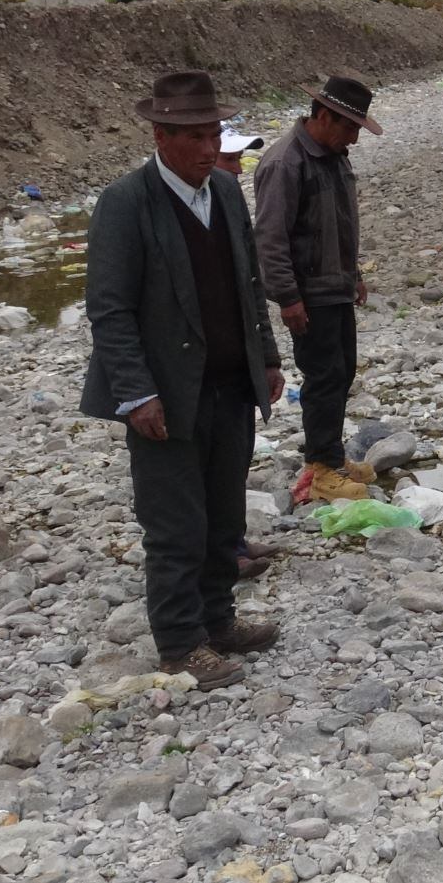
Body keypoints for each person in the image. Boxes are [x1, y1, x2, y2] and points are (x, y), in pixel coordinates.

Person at [81, 71, 285, 689]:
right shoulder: (125, 204)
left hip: (228, 384)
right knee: (175, 523)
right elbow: (109, 308)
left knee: (224, 515)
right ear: (160, 136)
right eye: (193, 136)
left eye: (213, 133)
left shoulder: (224, 193)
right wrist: (135, 393)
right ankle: (178, 642)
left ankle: (217, 620)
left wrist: (268, 358)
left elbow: (250, 284)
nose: (207, 147)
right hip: (165, 395)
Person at [253, 75, 383, 505]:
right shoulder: (284, 164)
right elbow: (270, 240)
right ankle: (324, 470)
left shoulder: (335, 156)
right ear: (323, 117)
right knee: (323, 377)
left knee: (341, 372)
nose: (354, 139)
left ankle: (328, 457)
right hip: (309, 296)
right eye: (348, 127)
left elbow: (341, 225)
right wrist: (288, 298)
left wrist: (354, 274)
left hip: (336, 288)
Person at [212, 130, 282, 580]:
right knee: (214, 462)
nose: (240, 169)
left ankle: (231, 541)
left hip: (237, 357)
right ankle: (220, 553)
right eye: (231, 158)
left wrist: (268, 356)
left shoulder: (227, 202)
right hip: (206, 365)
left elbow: (252, 288)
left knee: (236, 453)